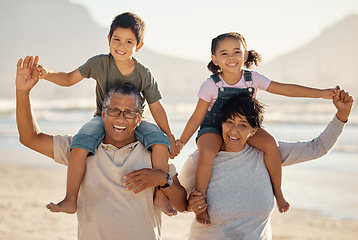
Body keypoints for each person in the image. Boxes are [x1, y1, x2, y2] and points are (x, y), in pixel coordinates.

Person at [15, 57, 187, 240]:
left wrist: (162, 179)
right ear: (103, 113)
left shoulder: (153, 152)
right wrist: (22, 92)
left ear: (139, 119)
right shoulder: (80, 150)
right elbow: (30, 138)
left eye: (128, 113)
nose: (120, 119)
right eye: (114, 111)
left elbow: (182, 204)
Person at [176, 32, 336, 224]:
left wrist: (320, 94)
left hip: (243, 127)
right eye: (224, 53)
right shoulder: (211, 84)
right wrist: (181, 141)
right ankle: (200, 206)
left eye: (237, 52)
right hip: (213, 125)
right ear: (215, 59)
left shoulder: (253, 79)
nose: (231, 57)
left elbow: (285, 89)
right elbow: (196, 117)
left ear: (245, 55)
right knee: (208, 151)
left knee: (270, 144)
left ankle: (278, 192)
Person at [30, 12, 180, 215]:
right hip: (102, 120)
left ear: (139, 46)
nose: (121, 45)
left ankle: (160, 195)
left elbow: (156, 106)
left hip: (135, 122)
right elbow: (68, 79)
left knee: (161, 143)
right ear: (109, 39)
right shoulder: (98, 63)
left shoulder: (144, 74)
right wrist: (46, 74)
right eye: (116, 39)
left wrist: (169, 134)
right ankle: (70, 199)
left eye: (129, 41)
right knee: (79, 144)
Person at [179, 90, 353, 240]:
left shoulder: (267, 154)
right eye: (229, 122)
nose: (233, 131)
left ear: (254, 131)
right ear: (221, 123)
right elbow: (178, 204)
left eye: (243, 125)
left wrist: (342, 116)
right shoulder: (200, 161)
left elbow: (317, 148)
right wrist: (190, 205)